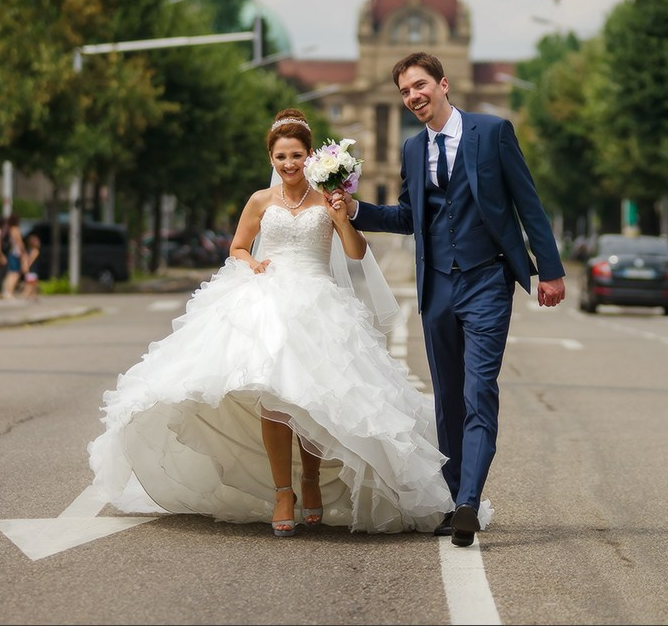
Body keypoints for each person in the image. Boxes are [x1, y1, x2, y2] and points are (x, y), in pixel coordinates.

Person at [88, 108, 476, 537]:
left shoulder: (327, 198)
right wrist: (252, 263)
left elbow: (355, 252)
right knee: (273, 394)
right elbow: (237, 247)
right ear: (271, 159)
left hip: (317, 304)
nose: (289, 163)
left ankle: (310, 480)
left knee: (313, 400)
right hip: (268, 301)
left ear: (310, 157)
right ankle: (282, 492)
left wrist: (341, 216)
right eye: (281, 156)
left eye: (296, 155)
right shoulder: (260, 200)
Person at [335, 52, 566, 547]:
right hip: (438, 285)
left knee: (479, 391)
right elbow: (407, 217)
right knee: (447, 398)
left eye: (419, 85)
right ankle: (452, 495)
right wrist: (355, 209)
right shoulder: (412, 149)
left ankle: (467, 503)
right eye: (404, 91)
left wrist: (550, 270)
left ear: (443, 85)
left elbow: (528, 203)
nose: (413, 97)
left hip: (487, 280)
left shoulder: (493, 132)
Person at [0, 214, 25, 300]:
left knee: (10, 273)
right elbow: (20, 243)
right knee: (15, 273)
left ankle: (6, 291)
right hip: (15, 254)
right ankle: (9, 292)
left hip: (10, 253)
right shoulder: (15, 229)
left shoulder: (8, 229)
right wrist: (24, 252)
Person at [21, 234, 40, 301]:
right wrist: (27, 266)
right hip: (32, 269)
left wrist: (24, 266)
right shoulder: (35, 250)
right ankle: (25, 295)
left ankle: (33, 296)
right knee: (31, 284)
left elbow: (24, 258)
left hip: (29, 269)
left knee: (31, 284)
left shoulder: (27, 250)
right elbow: (31, 260)